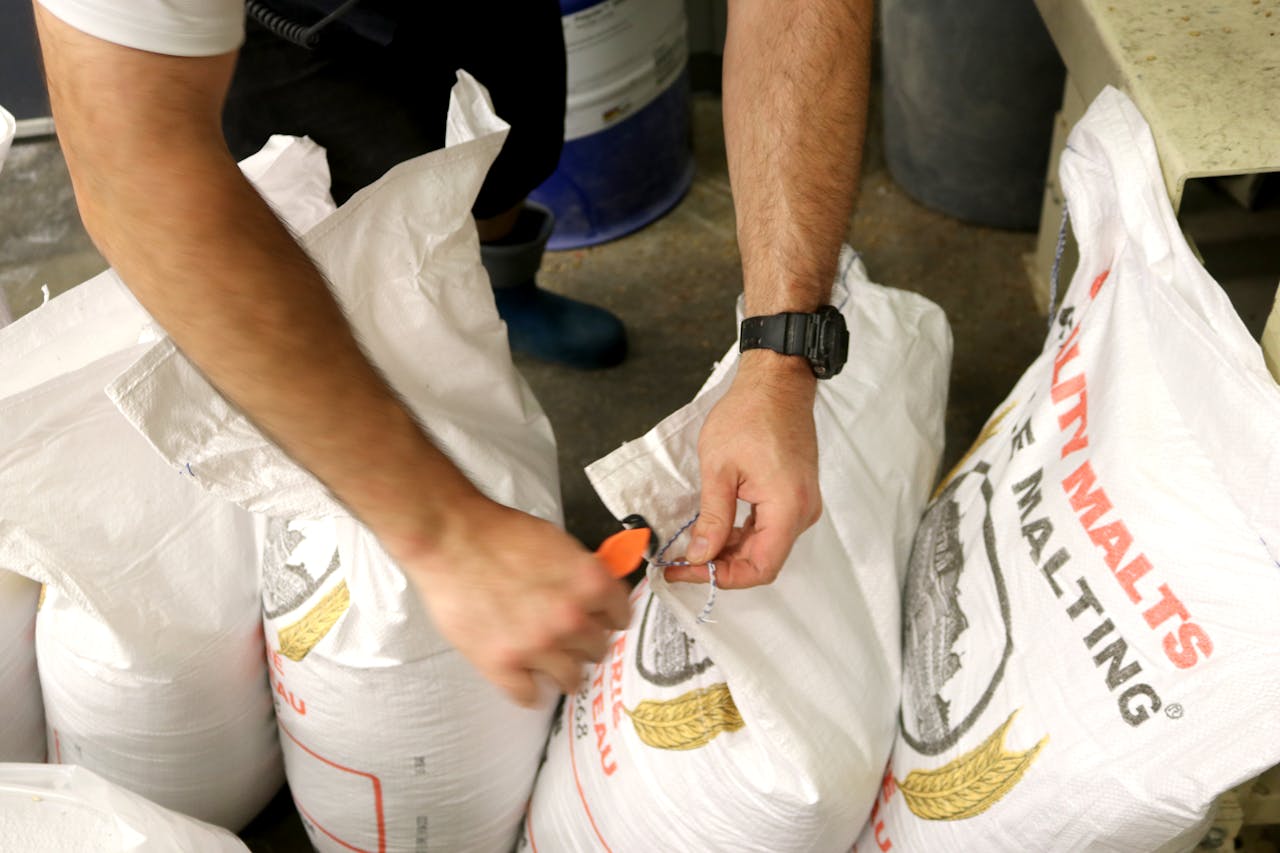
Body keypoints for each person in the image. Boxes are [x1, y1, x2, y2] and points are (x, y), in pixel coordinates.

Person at [31, 0, 872, 707]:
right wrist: (440, 530)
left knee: (510, 141)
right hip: (295, 21)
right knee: (344, 234)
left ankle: (500, 286)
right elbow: (134, 168)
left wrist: (780, 349)